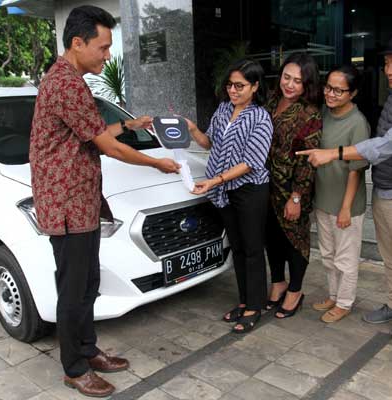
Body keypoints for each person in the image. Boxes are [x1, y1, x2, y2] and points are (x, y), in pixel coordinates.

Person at [29, 6, 180, 397]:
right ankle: (75, 368)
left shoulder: (71, 80)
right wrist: (158, 163)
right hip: (67, 206)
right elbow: (108, 147)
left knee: (88, 284)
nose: (108, 55)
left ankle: (88, 349)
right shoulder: (65, 83)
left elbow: (91, 131)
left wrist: (129, 124)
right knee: (73, 290)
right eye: (103, 47)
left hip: (82, 203)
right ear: (78, 43)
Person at [298, 31, 392, 340]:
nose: (389, 71)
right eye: (387, 63)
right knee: (391, 255)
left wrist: (333, 154)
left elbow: (386, 144)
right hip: (386, 187)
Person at [187, 59, 273, 334]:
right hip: (224, 190)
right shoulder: (223, 109)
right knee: (237, 247)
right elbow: (209, 143)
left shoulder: (261, 117)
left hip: (249, 190)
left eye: (239, 86)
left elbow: (251, 162)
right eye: (230, 85)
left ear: (255, 86)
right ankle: (244, 300)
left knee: (252, 248)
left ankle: (255, 307)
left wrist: (215, 180)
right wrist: (192, 129)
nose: (233, 91)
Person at [264, 53, 322, 319]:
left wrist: (296, 197)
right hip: (265, 185)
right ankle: (278, 283)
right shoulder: (270, 101)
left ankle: (295, 290)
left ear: (306, 84)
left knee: (295, 241)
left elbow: (308, 161)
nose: (289, 84)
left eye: (297, 81)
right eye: (286, 77)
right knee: (272, 237)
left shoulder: (309, 114)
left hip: (292, 188)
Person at [311, 65, 370, 323]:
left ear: (352, 93)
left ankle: (345, 303)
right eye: (328, 87)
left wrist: (346, 208)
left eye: (338, 90)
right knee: (328, 255)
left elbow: (356, 171)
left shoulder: (358, 123)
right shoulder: (324, 113)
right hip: (323, 199)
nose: (330, 94)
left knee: (345, 258)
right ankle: (334, 295)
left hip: (346, 205)